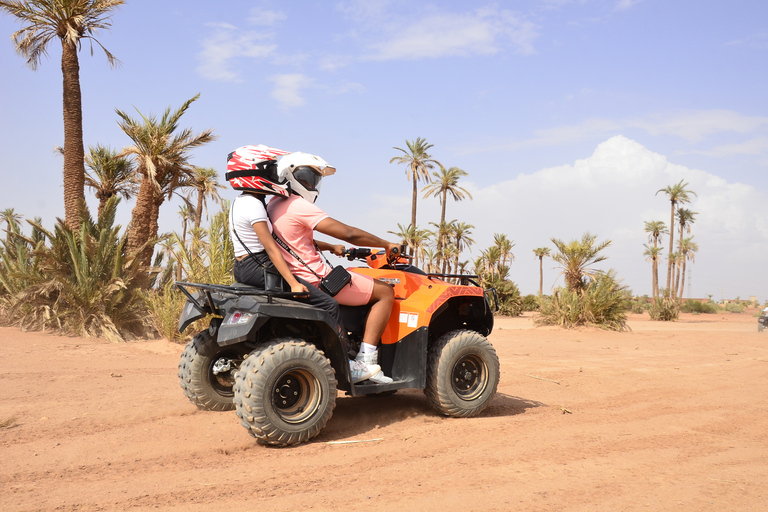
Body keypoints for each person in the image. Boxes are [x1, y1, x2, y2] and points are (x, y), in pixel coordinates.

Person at [226, 145, 380, 384]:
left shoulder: (245, 202)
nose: (272, 175)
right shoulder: (257, 205)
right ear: (254, 173)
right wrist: (293, 284)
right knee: (329, 304)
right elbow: (270, 247)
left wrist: (329, 247)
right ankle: (349, 367)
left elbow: (285, 239)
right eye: (267, 170)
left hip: (244, 265)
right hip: (260, 266)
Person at [267, 152, 400, 385]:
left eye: (316, 179)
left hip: (293, 277)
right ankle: (366, 360)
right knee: (385, 292)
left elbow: (294, 240)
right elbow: (349, 233)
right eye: (308, 177)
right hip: (317, 279)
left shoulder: (274, 204)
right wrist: (387, 244)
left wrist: (330, 247)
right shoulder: (298, 205)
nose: (312, 184)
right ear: (289, 175)